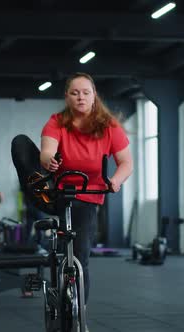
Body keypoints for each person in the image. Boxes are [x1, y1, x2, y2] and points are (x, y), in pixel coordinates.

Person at [40, 72, 133, 305]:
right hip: (61, 191)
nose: (80, 97)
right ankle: (56, 272)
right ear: (67, 97)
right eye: (74, 93)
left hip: (91, 194)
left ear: (94, 96)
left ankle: (79, 312)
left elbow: (126, 162)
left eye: (85, 92)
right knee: (64, 244)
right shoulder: (56, 121)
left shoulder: (109, 126)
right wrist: (49, 159)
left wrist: (116, 180)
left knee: (80, 255)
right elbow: (47, 150)